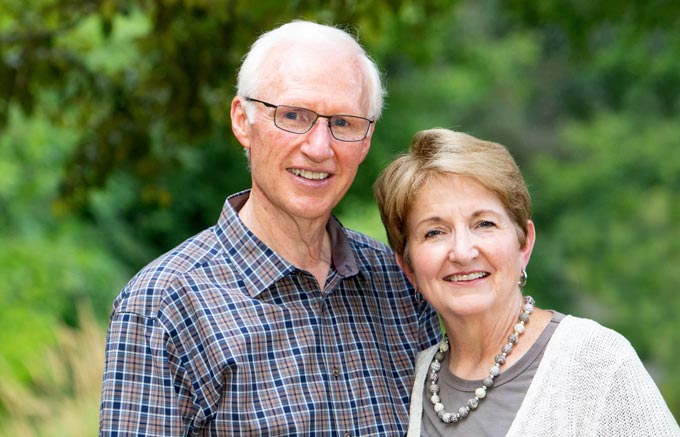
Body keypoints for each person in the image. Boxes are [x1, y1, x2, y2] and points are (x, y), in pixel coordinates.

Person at [99, 21, 441, 435]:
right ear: (243, 121)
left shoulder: (401, 284)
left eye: (343, 123)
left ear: (366, 141)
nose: (319, 148)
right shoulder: (162, 307)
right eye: (294, 116)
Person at [373, 128, 680, 436]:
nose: (463, 252)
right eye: (435, 232)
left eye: (484, 224)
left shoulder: (597, 362)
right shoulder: (411, 381)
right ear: (408, 266)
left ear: (524, 245)